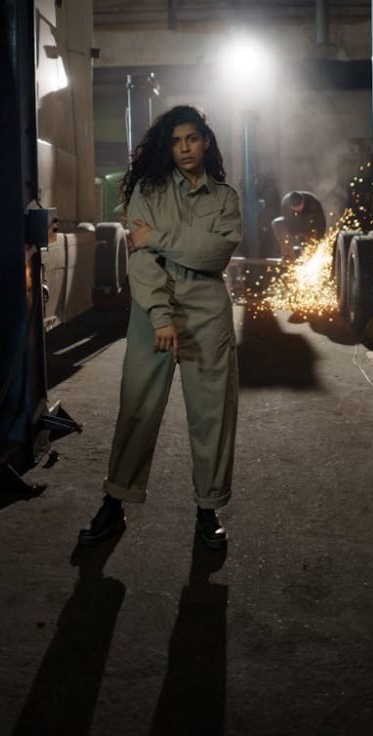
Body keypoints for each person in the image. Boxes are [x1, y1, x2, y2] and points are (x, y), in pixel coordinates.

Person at [79, 105, 242, 550]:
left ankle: (208, 510)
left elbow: (216, 255)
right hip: (153, 316)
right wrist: (161, 317)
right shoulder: (146, 191)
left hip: (208, 315)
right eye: (175, 141)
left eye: (191, 138)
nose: (184, 148)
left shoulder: (224, 198)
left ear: (206, 141)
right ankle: (115, 502)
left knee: (212, 416)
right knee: (137, 408)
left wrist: (161, 239)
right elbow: (142, 259)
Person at [271, 190, 326, 260]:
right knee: (277, 223)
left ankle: (310, 256)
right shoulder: (285, 203)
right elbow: (288, 224)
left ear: (303, 201)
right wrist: (297, 236)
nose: (297, 210)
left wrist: (319, 241)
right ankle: (289, 256)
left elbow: (321, 223)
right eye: (295, 208)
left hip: (309, 228)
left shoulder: (313, 202)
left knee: (311, 250)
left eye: (299, 207)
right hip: (295, 228)